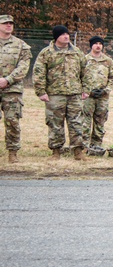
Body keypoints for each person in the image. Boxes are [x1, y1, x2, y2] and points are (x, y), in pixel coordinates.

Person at [33, 25, 89, 160]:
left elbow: (85, 72)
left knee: (76, 123)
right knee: (55, 123)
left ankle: (78, 151)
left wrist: (86, 89)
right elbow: (39, 73)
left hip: (74, 94)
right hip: (55, 94)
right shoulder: (46, 53)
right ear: (56, 37)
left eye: (67, 34)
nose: (66, 36)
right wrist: (41, 92)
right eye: (62, 34)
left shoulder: (76, 52)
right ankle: (56, 151)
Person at [0, 14, 33, 163]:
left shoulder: (21, 45)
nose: (9, 25)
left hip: (12, 89)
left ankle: (13, 153)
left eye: (11, 23)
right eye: (5, 23)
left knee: (12, 121)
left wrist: (8, 80)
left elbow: (24, 66)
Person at [81, 36, 113, 153]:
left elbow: (112, 77)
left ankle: (96, 146)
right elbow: (79, 77)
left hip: (102, 97)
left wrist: (106, 90)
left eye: (100, 44)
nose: (98, 46)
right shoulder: (84, 60)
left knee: (100, 121)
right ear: (91, 45)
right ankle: (84, 145)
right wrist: (86, 91)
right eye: (95, 43)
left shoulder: (108, 61)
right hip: (87, 96)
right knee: (85, 121)